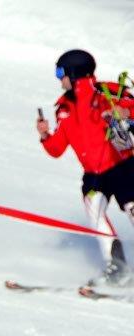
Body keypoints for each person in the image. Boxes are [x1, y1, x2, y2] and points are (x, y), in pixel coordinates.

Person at [37, 48, 134, 285]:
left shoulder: (106, 92)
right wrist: (45, 135)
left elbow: (130, 107)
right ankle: (117, 268)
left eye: (60, 72)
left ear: (74, 72)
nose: (59, 79)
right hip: (94, 175)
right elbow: (57, 149)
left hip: (122, 166)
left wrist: (124, 112)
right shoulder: (64, 108)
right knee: (94, 210)